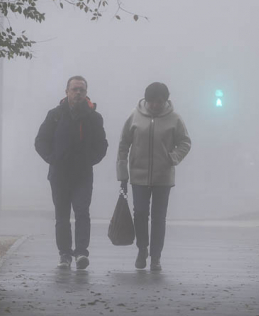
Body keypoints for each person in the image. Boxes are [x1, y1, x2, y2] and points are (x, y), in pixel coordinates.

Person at [35, 76, 108, 269]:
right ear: (66, 91)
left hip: (83, 175)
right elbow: (41, 141)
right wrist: (52, 158)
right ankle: (65, 254)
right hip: (59, 174)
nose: (78, 93)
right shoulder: (55, 115)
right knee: (62, 215)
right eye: (74, 89)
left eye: (81, 90)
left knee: (82, 212)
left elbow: (102, 145)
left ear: (86, 93)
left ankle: (82, 253)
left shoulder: (94, 117)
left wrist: (91, 160)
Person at [117, 82, 191, 271]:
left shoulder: (175, 119)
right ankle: (142, 249)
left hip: (163, 177)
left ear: (166, 101)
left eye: (159, 102)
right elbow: (124, 143)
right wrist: (122, 171)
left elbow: (185, 142)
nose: (155, 106)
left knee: (159, 217)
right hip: (138, 175)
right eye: (151, 102)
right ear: (146, 100)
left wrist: (173, 158)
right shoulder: (134, 116)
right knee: (140, 213)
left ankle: (156, 256)